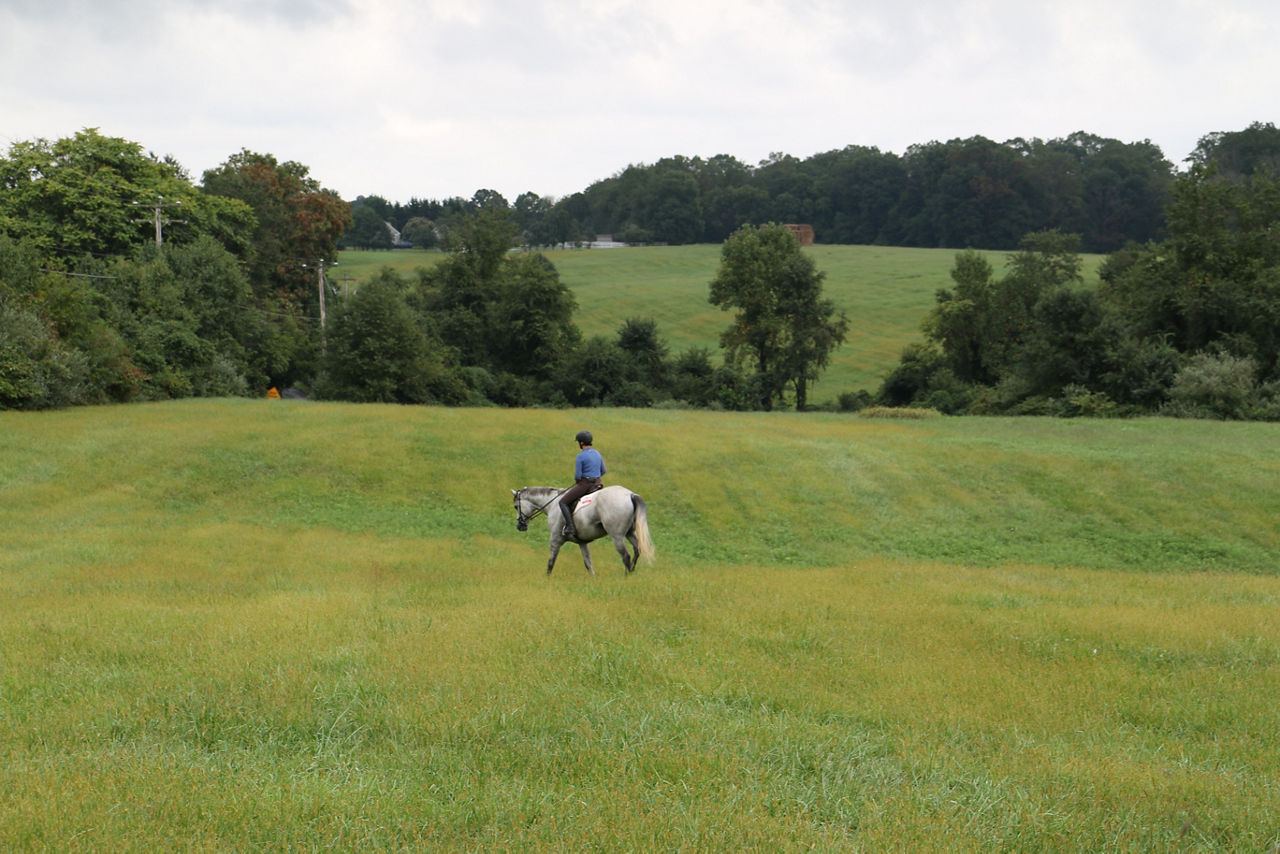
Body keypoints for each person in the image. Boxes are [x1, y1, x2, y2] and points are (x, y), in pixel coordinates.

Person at [559, 430, 605, 540]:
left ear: (581, 443)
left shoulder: (580, 456)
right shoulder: (597, 453)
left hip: (586, 484)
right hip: (598, 483)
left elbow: (578, 476)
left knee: (563, 502)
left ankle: (570, 527)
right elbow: (603, 470)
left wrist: (579, 481)